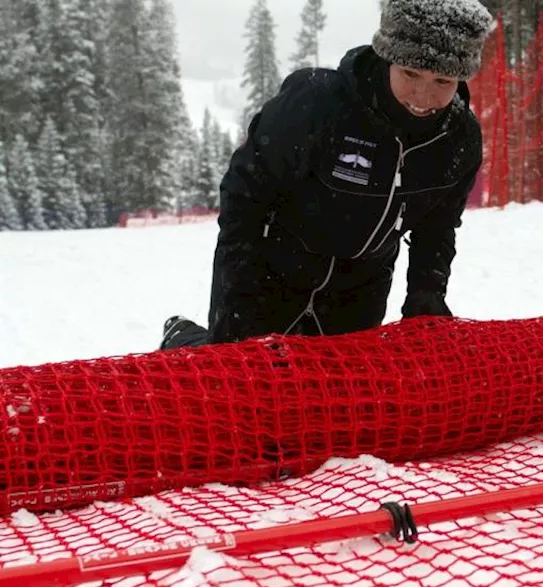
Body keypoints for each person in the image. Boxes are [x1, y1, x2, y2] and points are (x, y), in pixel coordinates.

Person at [161, 0, 494, 350]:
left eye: (442, 80)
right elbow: (244, 195)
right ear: (387, 58)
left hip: (360, 287)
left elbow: (437, 226)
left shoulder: (458, 140)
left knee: (337, 397)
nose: (423, 96)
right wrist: (236, 292)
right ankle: (183, 337)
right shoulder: (319, 104)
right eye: (410, 74)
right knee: (242, 386)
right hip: (272, 272)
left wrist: (426, 293)